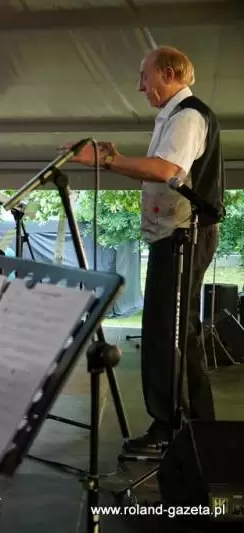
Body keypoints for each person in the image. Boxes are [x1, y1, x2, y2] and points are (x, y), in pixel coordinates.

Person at [68, 46, 223, 452]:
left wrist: (108, 161)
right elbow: (159, 172)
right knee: (179, 330)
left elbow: (166, 170)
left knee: (164, 332)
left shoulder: (188, 117)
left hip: (184, 236)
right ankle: (198, 428)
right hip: (176, 235)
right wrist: (116, 159)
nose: (140, 86)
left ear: (169, 74)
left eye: (145, 76)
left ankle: (170, 428)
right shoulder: (174, 117)